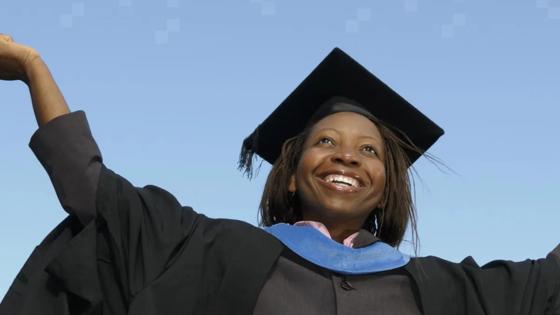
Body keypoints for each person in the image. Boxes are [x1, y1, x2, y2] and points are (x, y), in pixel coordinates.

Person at [1, 33, 559, 315]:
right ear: (290, 175)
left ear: (387, 183)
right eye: (325, 142)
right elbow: (90, 188)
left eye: (369, 151)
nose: (347, 157)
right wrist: (33, 67)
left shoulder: (445, 292)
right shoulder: (211, 250)